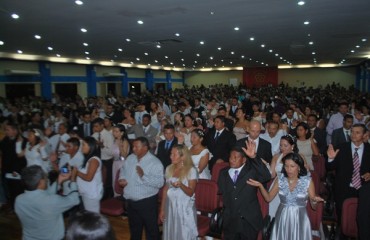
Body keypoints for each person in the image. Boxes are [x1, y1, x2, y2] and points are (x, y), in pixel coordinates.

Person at [247, 153, 324, 240]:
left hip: (300, 218)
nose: (288, 169)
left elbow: (314, 207)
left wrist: (314, 201)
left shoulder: (307, 181)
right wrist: (260, 186)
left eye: (292, 166)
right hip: (282, 217)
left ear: (299, 167)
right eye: (286, 166)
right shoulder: (280, 179)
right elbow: (268, 198)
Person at [217, 142, 271, 240]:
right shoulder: (223, 173)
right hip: (230, 221)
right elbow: (223, 195)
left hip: (248, 220)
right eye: (230, 157)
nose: (232, 160)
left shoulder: (251, 172)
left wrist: (254, 157)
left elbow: (266, 176)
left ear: (244, 160)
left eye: (236, 157)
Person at [327, 124, 370, 238]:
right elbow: (330, 167)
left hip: (364, 190)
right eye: (352, 132)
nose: (353, 135)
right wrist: (331, 158)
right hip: (344, 190)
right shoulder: (341, 148)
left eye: (357, 132)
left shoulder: (369, 149)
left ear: (365, 135)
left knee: (363, 221)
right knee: (344, 221)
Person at [15, 165, 80, 240]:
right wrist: (73, 180)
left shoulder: (18, 200)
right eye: (45, 177)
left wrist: (59, 180)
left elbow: (44, 196)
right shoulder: (52, 201)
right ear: (40, 182)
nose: (47, 179)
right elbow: (74, 199)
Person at [118, 137, 164, 240]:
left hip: (146, 203)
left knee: (151, 231)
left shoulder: (155, 163)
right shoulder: (130, 158)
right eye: (133, 146)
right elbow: (123, 171)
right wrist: (122, 179)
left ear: (145, 148)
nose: (133, 149)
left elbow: (160, 183)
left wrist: (143, 176)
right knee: (134, 230)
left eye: (136, 146)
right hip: (131, 201)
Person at [160, 144, 198, 240]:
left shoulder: (191, 170)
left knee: (184, 234)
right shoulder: (169, 168)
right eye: (171, 153)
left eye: (174, 154)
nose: (171, 156)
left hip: (184, 208)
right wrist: (162, 209)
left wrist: (181, 185)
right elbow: (165, 190)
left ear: (183, 157)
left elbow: (190, 192)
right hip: (170, 207)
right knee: (171, 232)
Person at [268, 134, 298, 218]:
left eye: (285, 145)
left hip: (292, 185)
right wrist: (266, 165)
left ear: (292, 146)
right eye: (281, 145)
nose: (282, 148)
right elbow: (272, 174)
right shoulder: (276, 157)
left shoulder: (298, 157)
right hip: (277, 184)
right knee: (274, 211)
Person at [0, 122, 27, 209]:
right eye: (5, 130)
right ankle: (12, 206)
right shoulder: (5, 140)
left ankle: (19, 207)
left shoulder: (22, 141)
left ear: (15, 131)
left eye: (8, 130)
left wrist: (16, 170)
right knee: (9, 189)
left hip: (17, 171)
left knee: (18, 190)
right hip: (6, 169)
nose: (6, 132)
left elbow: (22, 159)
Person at [73, 136, 103, 213]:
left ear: (90, 146)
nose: (81, 147)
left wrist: (77, 172)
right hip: (86, 192)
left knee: (93, 217)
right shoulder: (88, 159)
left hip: (91, 194)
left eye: (83, 145)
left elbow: (89, 177)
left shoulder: (94, 160)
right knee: (88, 217)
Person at [92, 117, 114, 199]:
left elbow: (111, 152)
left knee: (107, 181)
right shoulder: (94, 135)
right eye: (94, 126)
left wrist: (102, 146)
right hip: (97, 160)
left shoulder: (108, 135)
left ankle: (107, 198)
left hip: (107, 161)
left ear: (102, 125)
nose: (95, 128)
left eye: (96, 126)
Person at [111, 124, 130, 196]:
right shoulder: (114, 140)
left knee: (120, 180)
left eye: (116, 131)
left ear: (122, 133)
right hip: (115, 163)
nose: (114, 133)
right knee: (114, 181)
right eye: (113, 131)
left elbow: (124, 155)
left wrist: (120, 146)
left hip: (121, 163)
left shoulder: (124, 141)